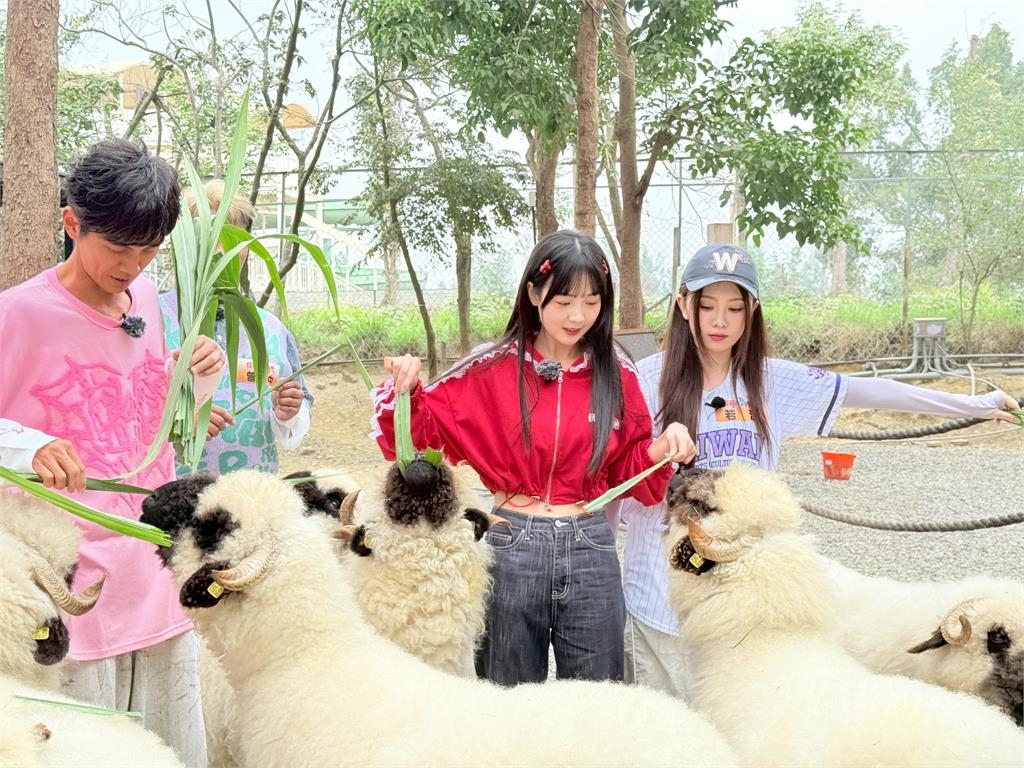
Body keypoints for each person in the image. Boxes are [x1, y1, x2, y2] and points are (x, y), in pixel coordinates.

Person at [616, 242, 1021, 699]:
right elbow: (612, 478)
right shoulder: (640, 380)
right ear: (683, 304)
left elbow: (868, 391)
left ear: (753, 310)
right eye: (707, 305)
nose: (719, 321)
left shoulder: (769, 380)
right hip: (661, 597)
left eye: (734, 307)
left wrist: (972, 403)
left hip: (745, 602)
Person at [370, 229, 696, 687]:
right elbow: (421, 438)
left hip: (591, 544)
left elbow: (626, 469)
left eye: (591, 301)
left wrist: (664, 447)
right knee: (507, 700)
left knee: (597, 701)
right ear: (533, 294)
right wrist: (405, 390)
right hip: (509, 543)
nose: (578, 315)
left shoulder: (616, 374)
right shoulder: (490, 367)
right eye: (564, 300)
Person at [0, 139, 227, 767]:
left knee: (167, 752)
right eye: (119, 248)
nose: (135, 265)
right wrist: (31, 443)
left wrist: (194, 382)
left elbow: (146, 413)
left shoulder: (151, 304)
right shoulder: (17, 316)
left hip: (153, 578)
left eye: (151, 249)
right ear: (72, 224)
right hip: (70, 596)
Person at [160, 180, 314, 476]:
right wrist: (178, 423)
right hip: (171, 505)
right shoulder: (149, 319)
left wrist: (288, 413)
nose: (220, 251)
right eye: (207, 237)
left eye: (232, 240)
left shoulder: (268, 329)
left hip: (252, 505)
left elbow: (295, 398)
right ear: (183, 246)